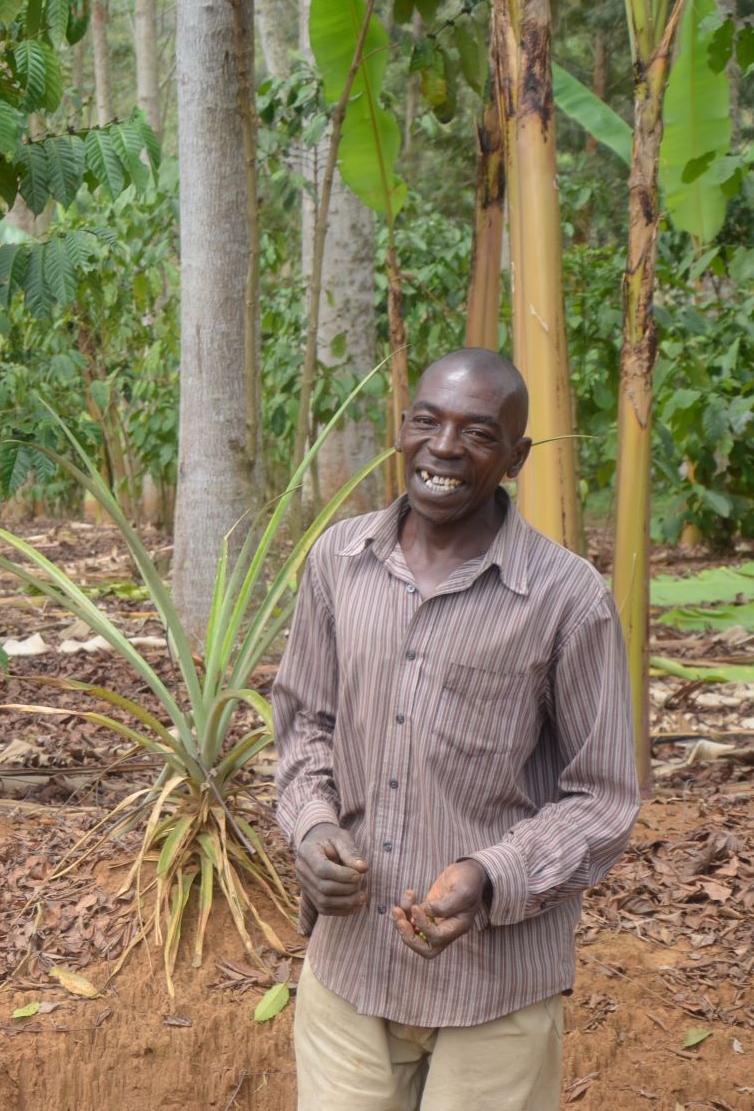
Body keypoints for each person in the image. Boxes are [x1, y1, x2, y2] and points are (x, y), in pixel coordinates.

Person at [272, 348, 640, 1111]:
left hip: (493, 990)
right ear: (400, 430)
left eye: (476, 433)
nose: (442, 447)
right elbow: (305, 721)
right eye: (426, 422)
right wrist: (310, 827)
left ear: (515, 458)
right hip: (349, 970)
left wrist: (489, 875)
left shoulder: (566, 598)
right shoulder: (337, 561)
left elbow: (601, 797)